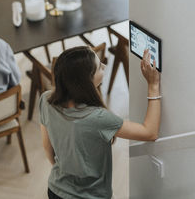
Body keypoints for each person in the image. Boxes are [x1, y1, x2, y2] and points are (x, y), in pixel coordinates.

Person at [39, 46, 160, 199]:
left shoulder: (46, 99)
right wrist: (153, 86)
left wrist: (67, 175)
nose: (104, 66)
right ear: (86, 81)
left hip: (56, 190)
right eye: (98, 68)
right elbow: (150, 132)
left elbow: (47, 148)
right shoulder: (98, 118)